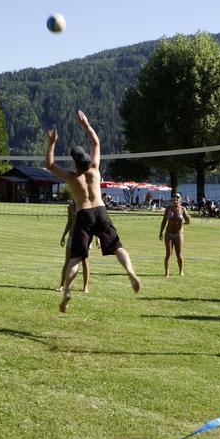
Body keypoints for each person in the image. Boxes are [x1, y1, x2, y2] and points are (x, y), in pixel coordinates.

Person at [45, 110, 141, 312]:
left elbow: (50, 165)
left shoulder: (72, 177)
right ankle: (130, 271)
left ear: (74, 162)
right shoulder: (95, 169)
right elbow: (96, 143)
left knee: (75, 258)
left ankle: (68, 290)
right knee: (117, 247)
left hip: (83, 214)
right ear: (87, 160)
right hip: (101, 211)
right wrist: (86, 125)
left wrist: (52, 142)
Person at [59, 200, 91, 292]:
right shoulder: (71, 207)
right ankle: (62, 285)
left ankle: (85, 287)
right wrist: (63, 236)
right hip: (72, 236)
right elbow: (69, 222)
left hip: (84, 236)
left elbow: (92, 222)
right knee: (67, 261)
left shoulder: (86, 205)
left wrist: (97, 238)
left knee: (85, 261)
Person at [159, 192, 191, 276]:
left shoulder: (183, 209)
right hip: (168, 233)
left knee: (179, 254)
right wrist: (161, 232)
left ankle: (181, 271)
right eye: (174, 197)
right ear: (172, 199)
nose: (175, 198)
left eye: (177, 197)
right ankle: (167, 273)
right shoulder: (168, 208)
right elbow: (164, 221)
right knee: (168, 253)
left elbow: (188, 222)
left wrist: (187, 217)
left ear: (180, 199)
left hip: (179, 234)